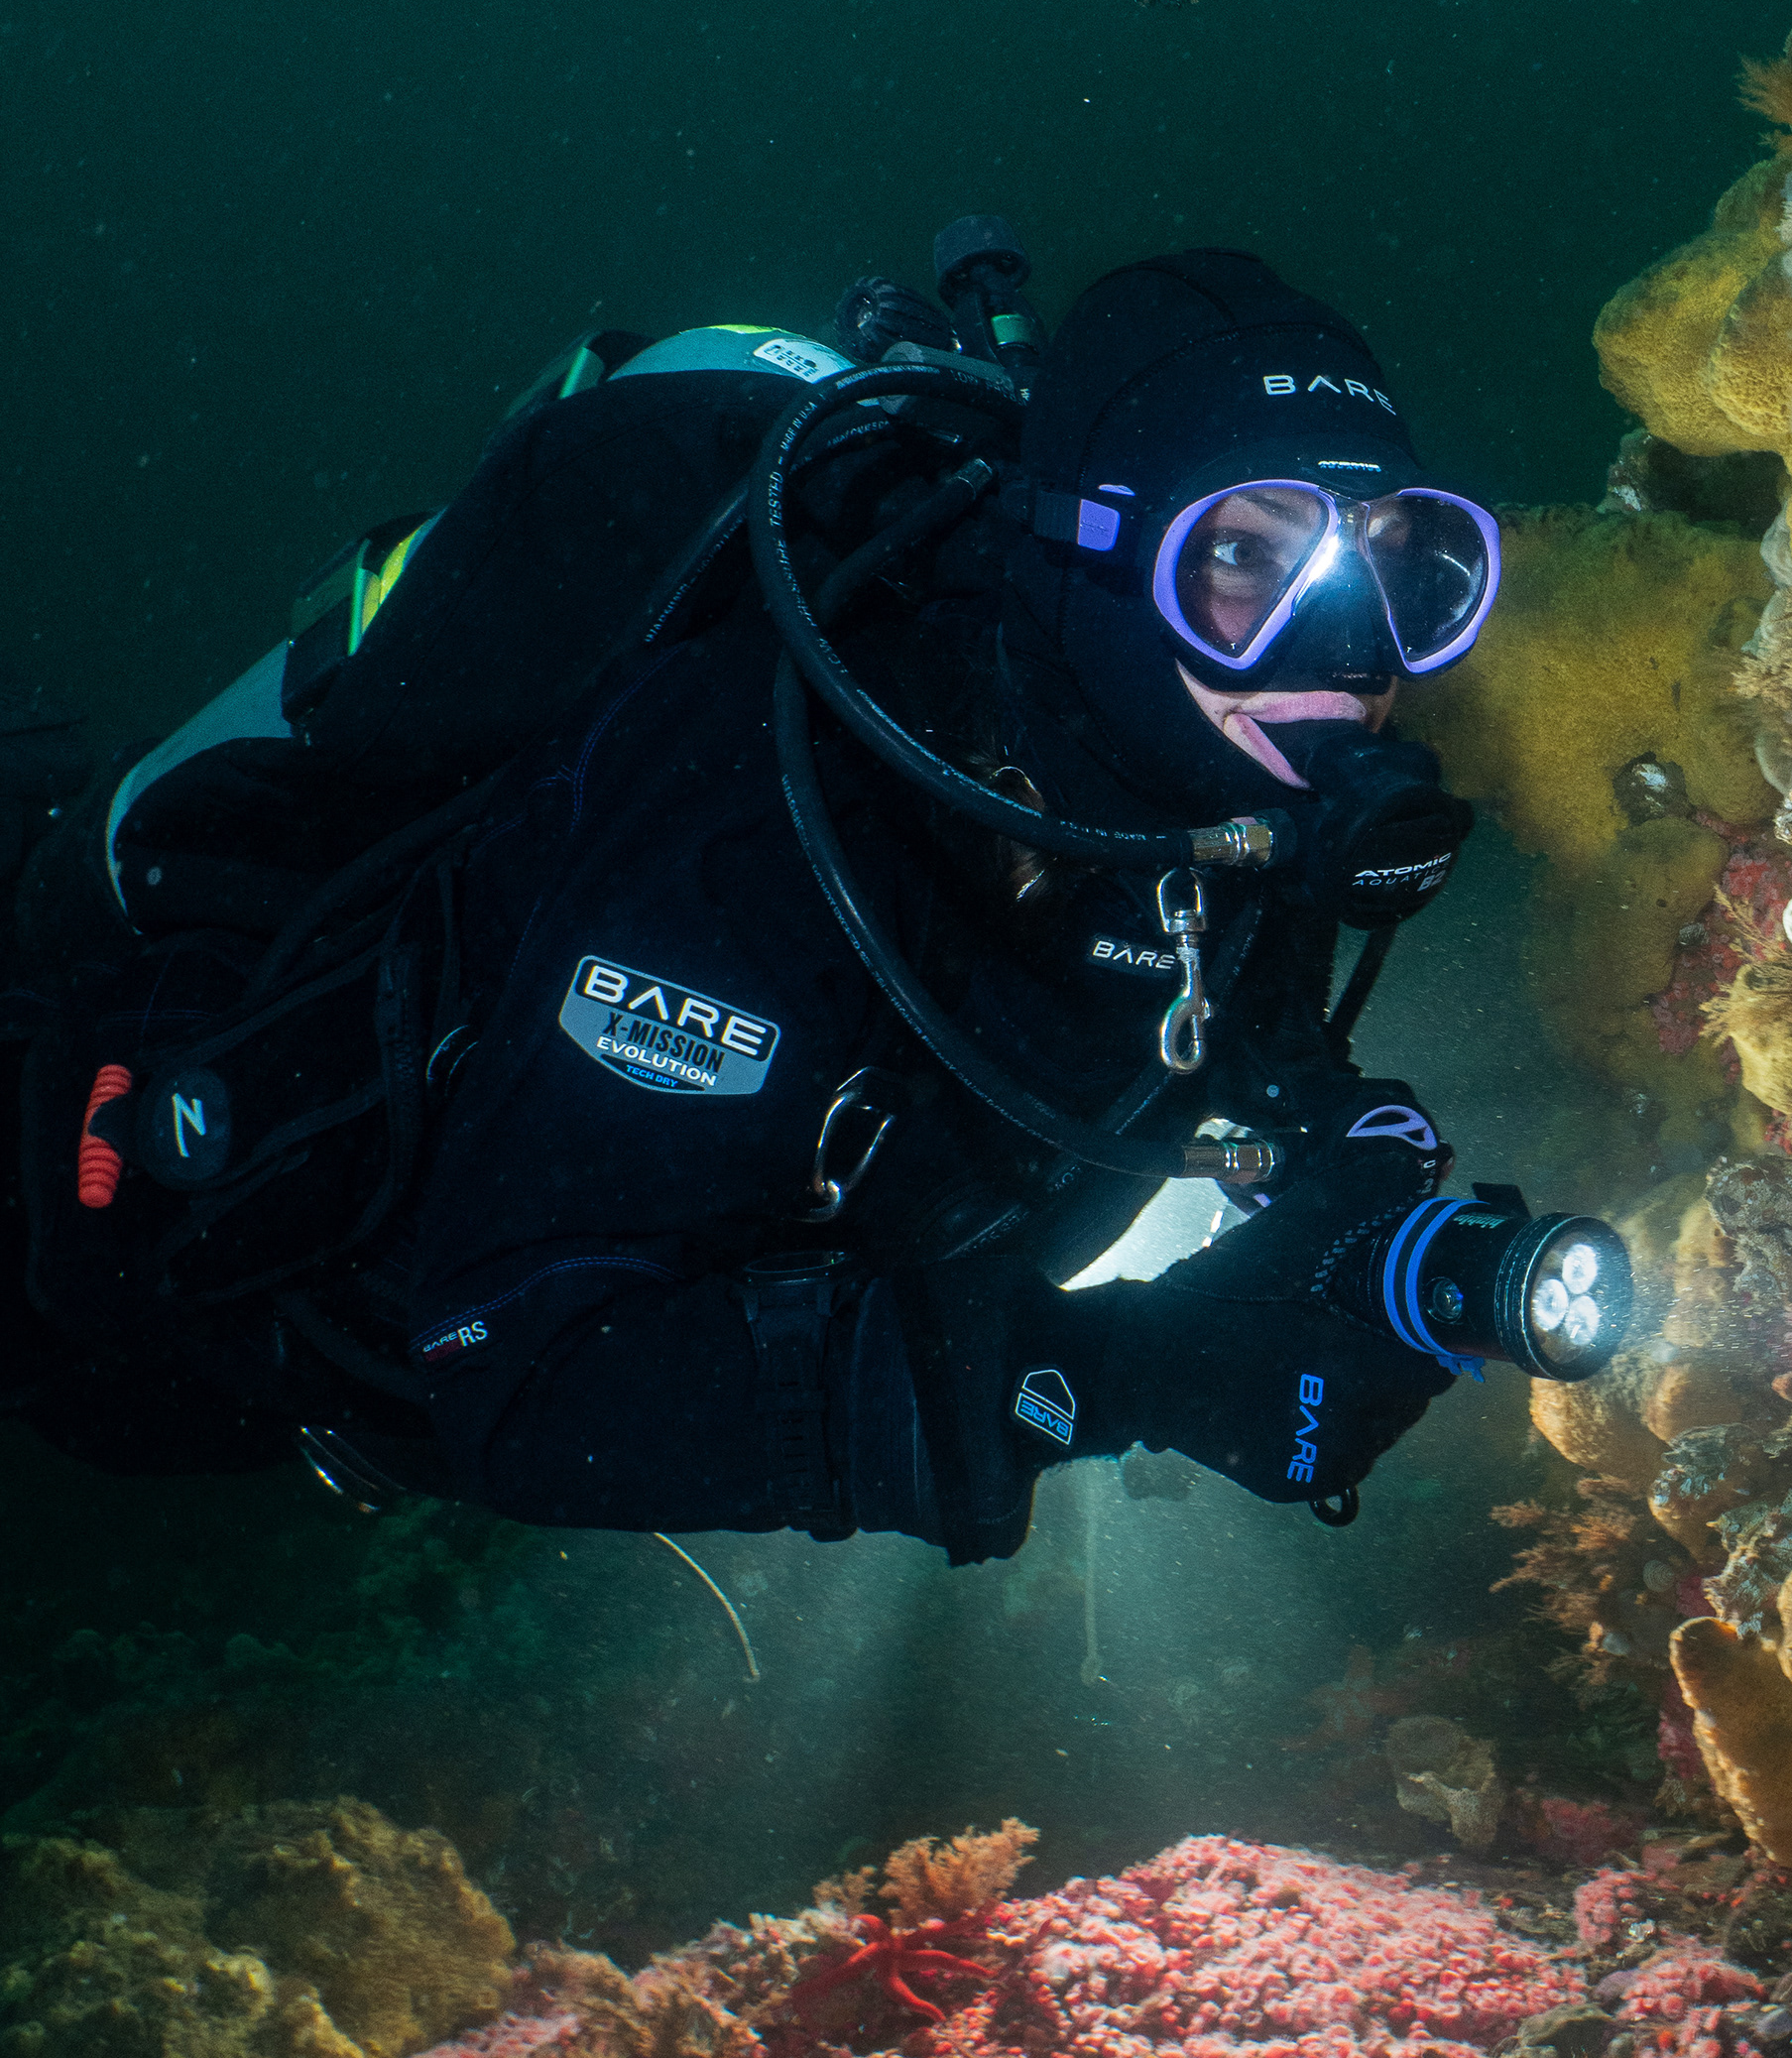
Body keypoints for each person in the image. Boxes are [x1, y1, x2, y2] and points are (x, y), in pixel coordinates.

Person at [5, 237, 1627, 1557]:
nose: (1350, 652)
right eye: (1248, 557)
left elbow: (1246, 1054)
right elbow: (524, 1370)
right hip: (125, 1276)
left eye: (1413, 568)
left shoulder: (1219, 794)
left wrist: (1367, 1201)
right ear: (1091, 556)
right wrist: (1133, 1375)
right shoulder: (756, 808)